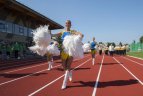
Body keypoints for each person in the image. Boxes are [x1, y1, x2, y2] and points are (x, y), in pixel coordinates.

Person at [52, 20, 84, 89]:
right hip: (63, 50)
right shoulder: (62, 32)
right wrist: (49, 35)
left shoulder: (73, 31)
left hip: (71, 50)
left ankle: (64, 83)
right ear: (65, 24)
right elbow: (54, 35)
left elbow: (80, 34)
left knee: (68, 66)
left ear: (70, 24)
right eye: (66, 23)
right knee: (64, 66)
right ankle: (70, 72)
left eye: (69, 23)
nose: (68, 24)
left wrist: (81, 35)